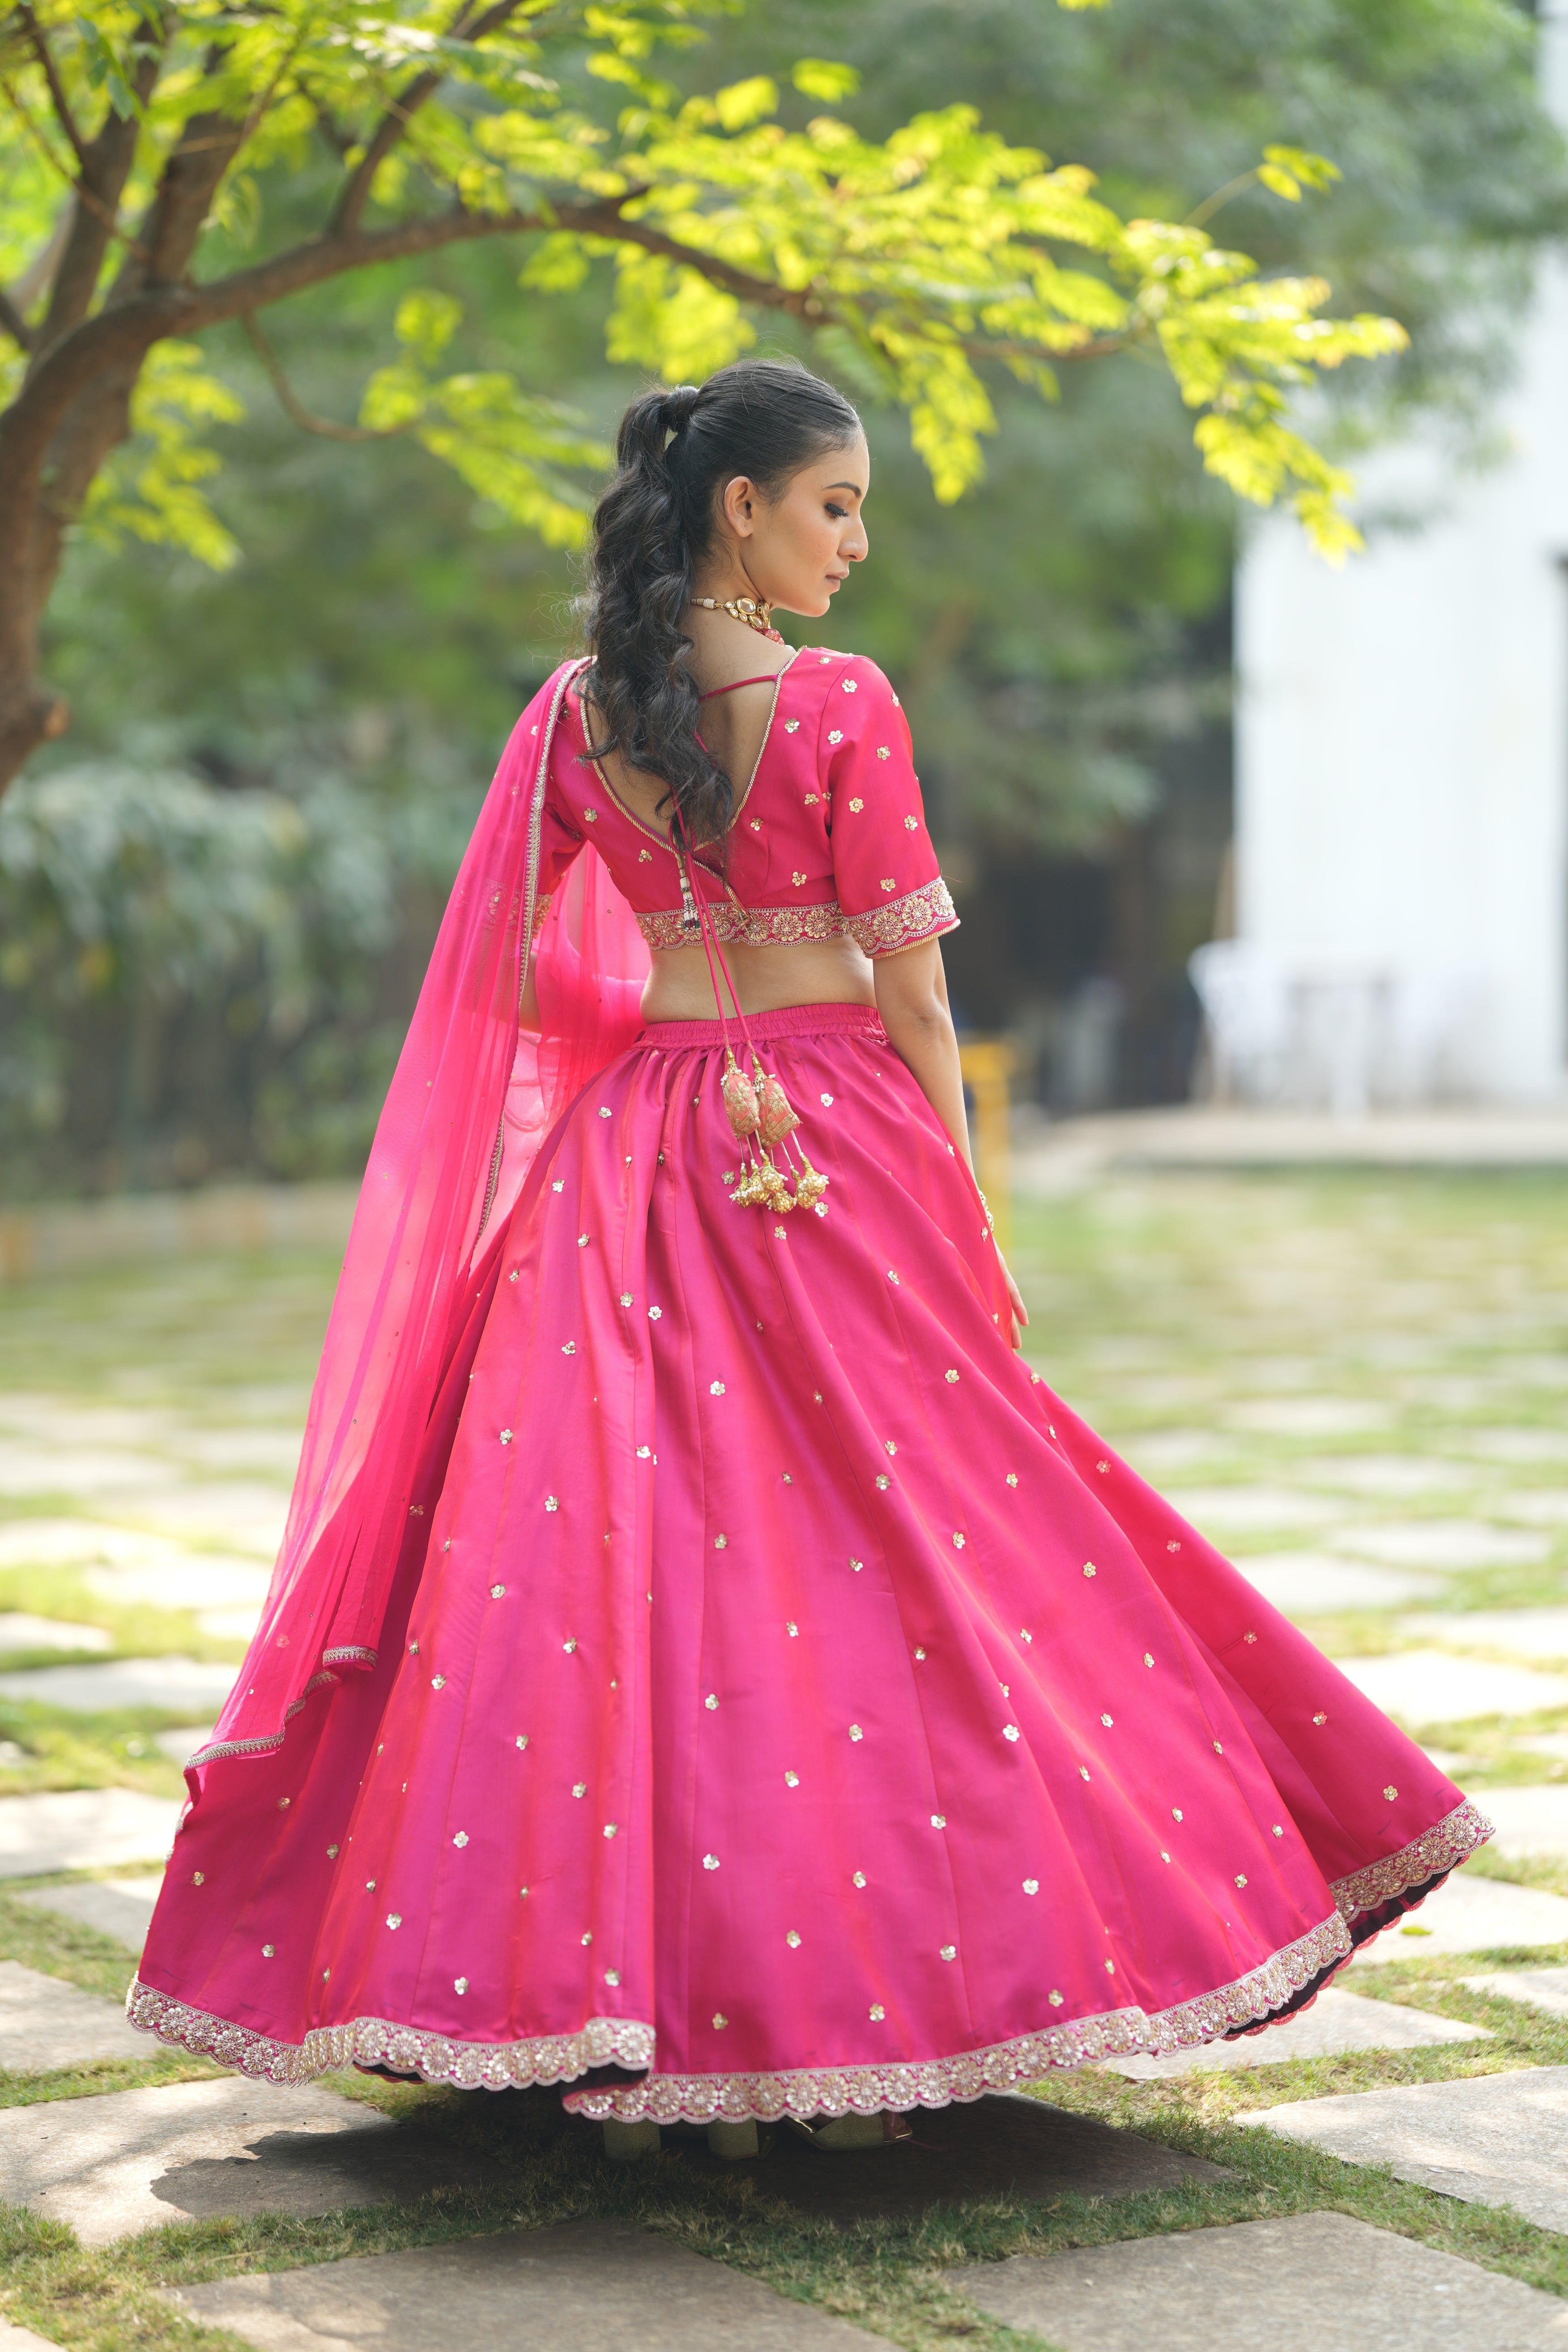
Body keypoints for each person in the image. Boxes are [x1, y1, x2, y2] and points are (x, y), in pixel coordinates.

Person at [128, 358, 1489, 2159]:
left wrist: (659, 1012)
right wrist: (961, 1192)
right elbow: (912, 984)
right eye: (835, 502)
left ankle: (580, 1991)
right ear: (741, 508)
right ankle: (940, 1976)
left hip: (625, 1160)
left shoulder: (570, 717)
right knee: (916, 1538)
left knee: (627, 1573)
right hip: (830, 1139)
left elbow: (520, 982)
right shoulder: (840, 703)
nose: (854, 539)